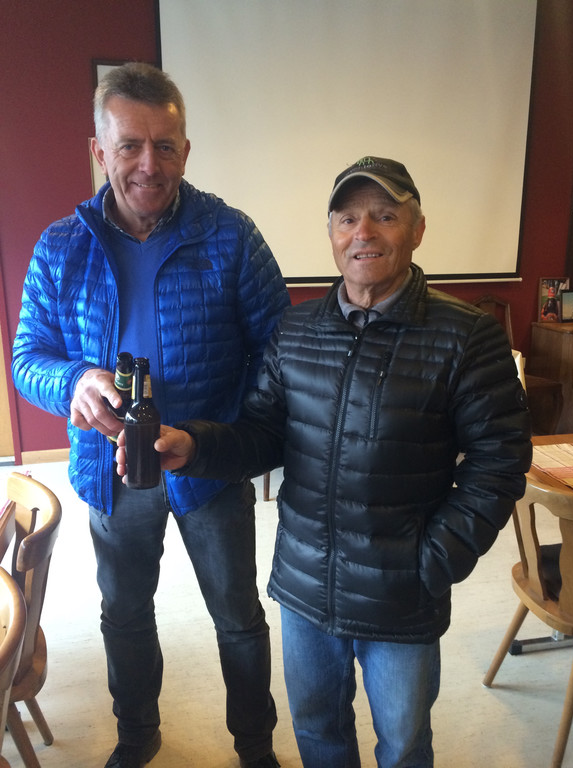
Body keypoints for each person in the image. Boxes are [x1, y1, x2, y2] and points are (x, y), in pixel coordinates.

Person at [117, 156, 533, 768]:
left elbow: (499, 462)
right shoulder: (297, 328)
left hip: (401, 592)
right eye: (347, 218)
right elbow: (263, 434)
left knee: (403, 746)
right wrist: (196, 447)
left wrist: (435, 560)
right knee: (317, 735)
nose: (363, 232)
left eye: (384, 216)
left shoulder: (467, 335)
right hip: (305, 585)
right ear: (332, 233)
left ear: (417, 229)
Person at [12, 62, 289, 768]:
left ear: (186, 151)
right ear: (98, 151)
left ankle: (255, 745)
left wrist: (231, 437)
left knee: (238, 617)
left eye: (165, 146)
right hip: (110, 469)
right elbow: (27, 358)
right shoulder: (61, 246)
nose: (148, 164)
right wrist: (73, 380)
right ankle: (137, 735)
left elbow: (278, 349)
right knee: (125, 614)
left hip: (208, 464)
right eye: (129, 146)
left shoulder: (232, 236)